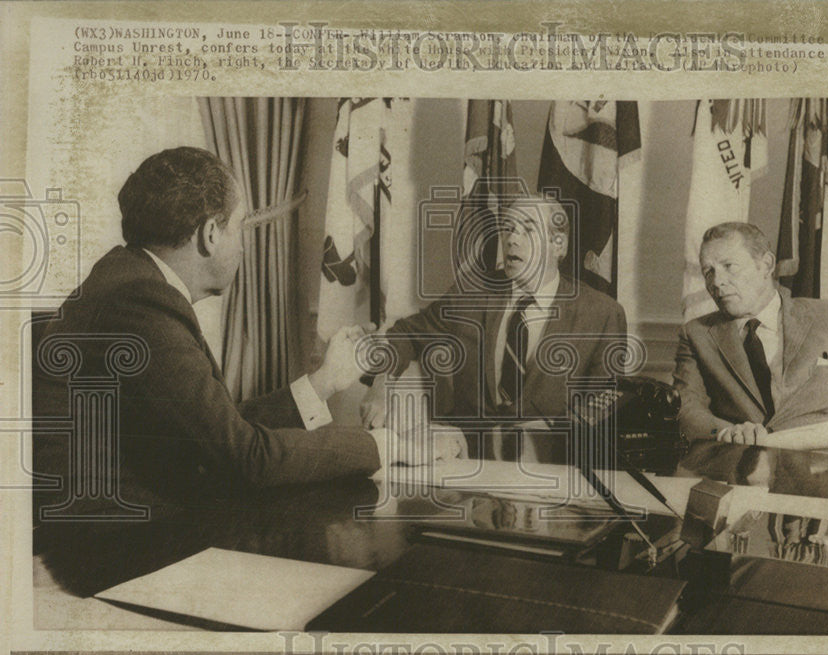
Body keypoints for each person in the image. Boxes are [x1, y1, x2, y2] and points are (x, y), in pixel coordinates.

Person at [33, 146, 456, 524]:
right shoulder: (143, 303)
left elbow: (219, 433)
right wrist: (383, 445)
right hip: (113, 546)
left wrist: (323, 384)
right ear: (211, 234)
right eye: (242, 228)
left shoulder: (131, 281)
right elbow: (245, 458)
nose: (244, 248)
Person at [360, 195, 628, 427]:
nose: (511, 239)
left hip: (553, 465)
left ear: (559, 245)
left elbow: (601, 411)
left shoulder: (601, 315)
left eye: (527, 229)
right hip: (468, 458)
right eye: (508, 229)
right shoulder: (470, 295)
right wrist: (381, 385)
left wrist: (546, 439)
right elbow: (405, 334)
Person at [672, 222, 828, 459]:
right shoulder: (697, 333)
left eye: (728, 266)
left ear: (766, 265)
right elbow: (685, 408)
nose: (716, 282)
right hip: (747, 478)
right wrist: (726, 433)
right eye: (708, 271)